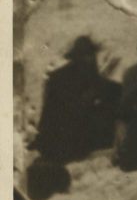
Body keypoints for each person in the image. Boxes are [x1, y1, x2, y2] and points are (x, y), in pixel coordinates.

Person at [30, 36, 121, 165]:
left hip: (52, 136)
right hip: (74, 137)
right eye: (90, 56)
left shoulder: (56, 76)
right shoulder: (85, 73)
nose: (92, 59)